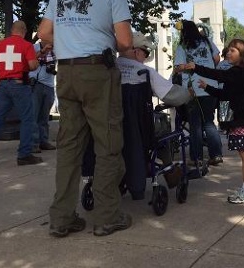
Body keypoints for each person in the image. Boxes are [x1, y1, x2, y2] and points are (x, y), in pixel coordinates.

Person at [39, 0, 133, 238]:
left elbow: (43, 34)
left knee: (68, 146)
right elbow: (126, 42)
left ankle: (61, 218)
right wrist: (103, 40)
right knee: (107, 144)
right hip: (96, 72)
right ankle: (107, 216)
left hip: (66, 73)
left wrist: (69, 41)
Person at [82, 32, 192, 201]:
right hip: (138, 131)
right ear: (136, 51)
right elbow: (172, 96)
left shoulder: (107, 69)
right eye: (146, 53)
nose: (145, 57)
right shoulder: (144, 72)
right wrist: (189, 93)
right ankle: (169, 169)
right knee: (162, 133)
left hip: (106, 129)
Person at [177, 38, 244, 204]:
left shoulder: (238, 72)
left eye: (233, 50)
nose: (228, 52)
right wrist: (207, 88)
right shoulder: (237, 73)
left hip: (241, 120)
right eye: (229, 49)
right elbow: (224, 95)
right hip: (240, 120)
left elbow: (217, 74)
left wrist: (196, 67)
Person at [0, 20, 40, 166]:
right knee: (27, 119)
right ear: (24, 31)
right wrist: (35, 61)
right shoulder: (27, 45)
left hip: (3, 85)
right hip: (19, 84)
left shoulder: (0, 44)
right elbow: (32, 65)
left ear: (12, 30)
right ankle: (24, 154)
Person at [174, 20, 224, 167]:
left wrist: (187, 66)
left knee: (195, 125)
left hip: (193, 89)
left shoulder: (183, 46)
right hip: (210, 85)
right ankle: (216, 155)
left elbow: (178, 67)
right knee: (209, 122)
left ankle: (196, 158)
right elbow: (216, 58)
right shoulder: (207, 41)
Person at [29, 40, 57, 152]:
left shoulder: (55, 49)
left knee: (44, 116)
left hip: (49, 83)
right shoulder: (33, 47)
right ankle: (33, 143)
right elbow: (29, 60)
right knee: (34, 114)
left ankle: (43, 141)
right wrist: (42, 52)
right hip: (36, 83)